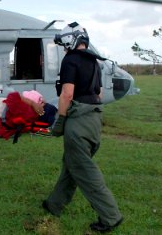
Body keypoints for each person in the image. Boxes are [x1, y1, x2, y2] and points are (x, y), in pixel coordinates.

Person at [42, 22, 123, 232]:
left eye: (64, 44)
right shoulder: (94, 62)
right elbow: (99, 94)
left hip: (78, 123)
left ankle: (111, 216)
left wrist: (60, 121)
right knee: (72, 165)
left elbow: (67, 94)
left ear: (71, 40)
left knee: (85, 171)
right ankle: (54, 204)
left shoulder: (70, 61)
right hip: (94, 120)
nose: (63, 49)